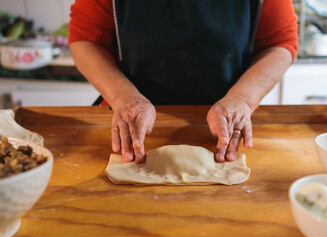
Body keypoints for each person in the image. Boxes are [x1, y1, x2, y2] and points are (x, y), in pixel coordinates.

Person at [69, 0, 298, 164]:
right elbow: (86, 39)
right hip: (130, 119)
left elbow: (279, 43)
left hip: (227, 125)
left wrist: (242, 100)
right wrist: (122, 97)